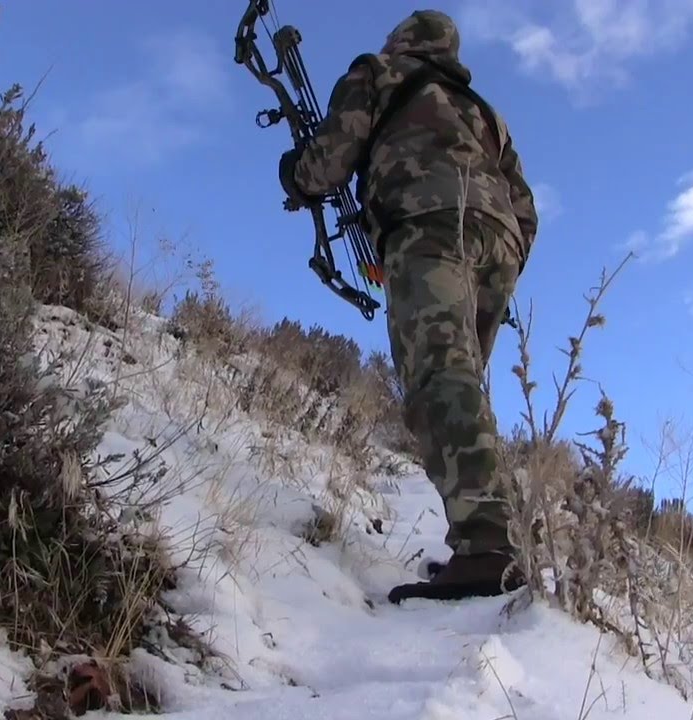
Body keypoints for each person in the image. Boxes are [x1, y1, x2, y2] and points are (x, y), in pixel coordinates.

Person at [278, 9, 539, 603]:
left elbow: (327, 159)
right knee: (463, 383)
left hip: (426, 230)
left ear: (402, 43)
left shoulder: (378, 72)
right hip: (498, 246)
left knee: (439, 381)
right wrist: (504, 253)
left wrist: (295, 175)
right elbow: (526, 209)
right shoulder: (486, 115)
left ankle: (490, 548)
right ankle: (499, 540)